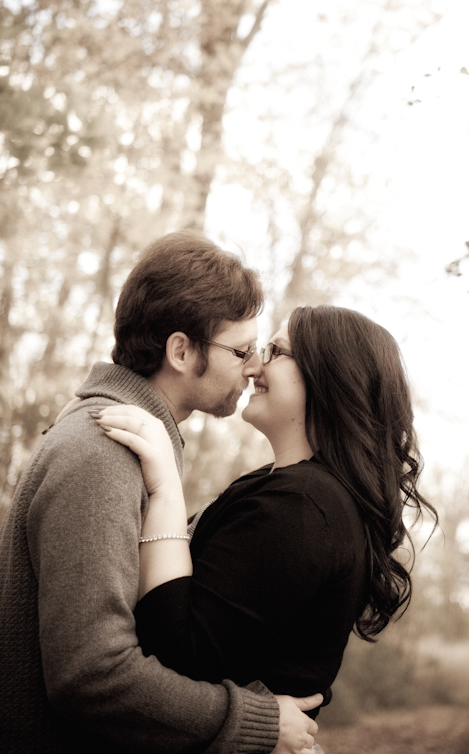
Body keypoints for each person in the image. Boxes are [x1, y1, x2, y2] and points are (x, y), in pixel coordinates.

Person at [0, 231, 321, 754]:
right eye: (240, 350)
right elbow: (91, 674)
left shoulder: (123, 444)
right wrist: (258, 722)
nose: (252, 367)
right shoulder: (102, 454)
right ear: (180, 350)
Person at [95, 304, 435, 725]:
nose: (253, 366)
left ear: (329, 377)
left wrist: (166, 490)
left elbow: (178, 656)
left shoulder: (303, 508)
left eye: (275, 351)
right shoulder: (289, 490)